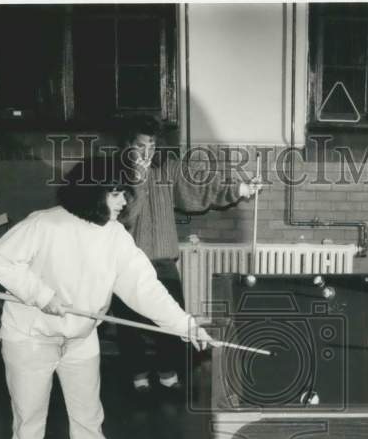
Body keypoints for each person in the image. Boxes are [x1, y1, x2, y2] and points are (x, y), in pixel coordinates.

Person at [0, 154, 212, 439]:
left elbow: (144, 288)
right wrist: (41, 295)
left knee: (89, 417)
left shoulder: (115, 237)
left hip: (80, 338)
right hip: (30, 337)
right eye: (116, 192)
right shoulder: (45, 224)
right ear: (92, 192)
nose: (124, 201)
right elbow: (1, 259)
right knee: (29, 416)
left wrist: (184, 325)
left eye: (125, 192)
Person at [111, 114, 260, 397]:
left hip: (163, 260)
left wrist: (240, 189)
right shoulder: (115, 175)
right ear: (127, 145)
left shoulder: (167, 168)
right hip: (127, 263)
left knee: (172, 320)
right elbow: (126, 216)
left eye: (152, 146)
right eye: (140, 146)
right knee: (130, 327)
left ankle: (167, 375)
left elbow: (199, 187)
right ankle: (138, 377)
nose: (147, 153)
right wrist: (139, 180)